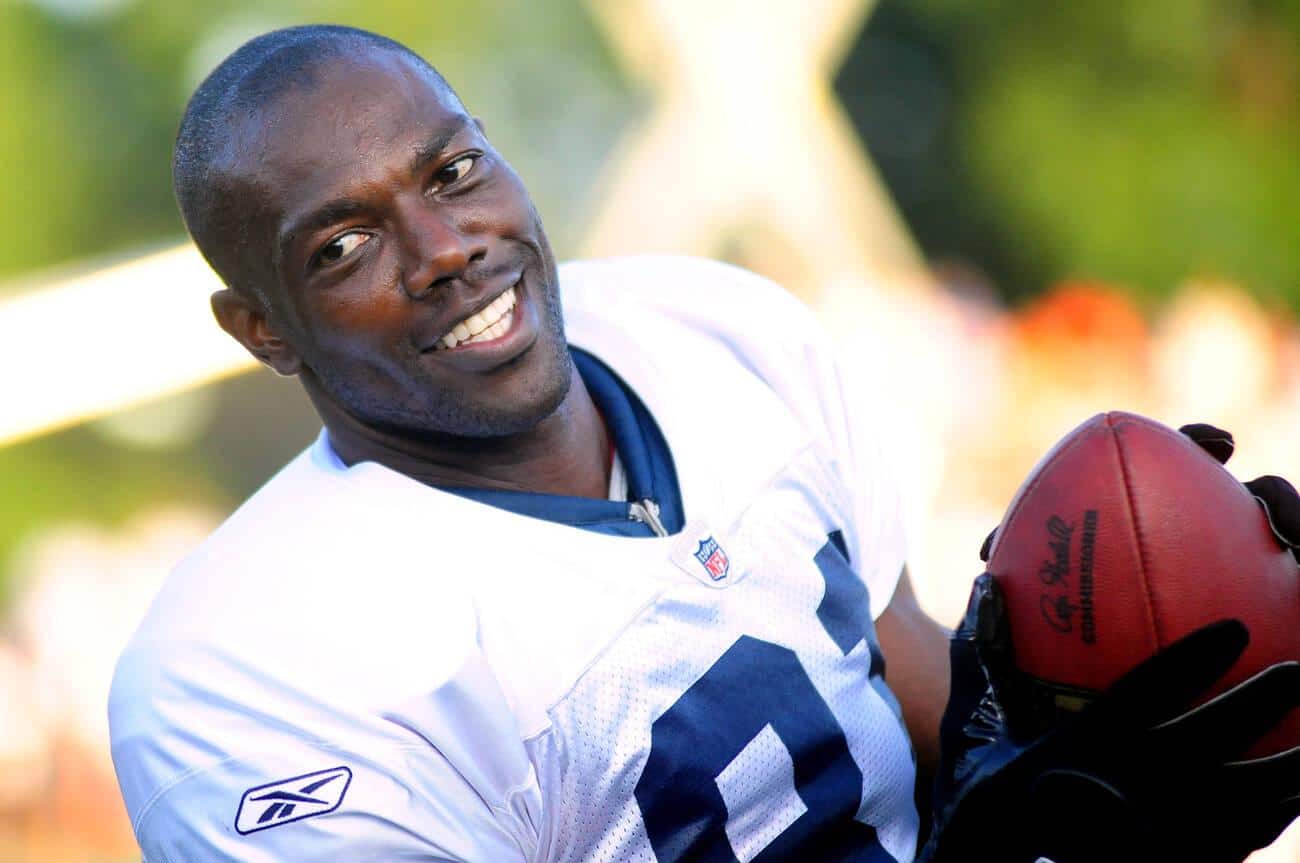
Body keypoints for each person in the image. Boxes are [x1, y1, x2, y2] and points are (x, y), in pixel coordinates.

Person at [108, 24, 1300, 863]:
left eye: (455, 170)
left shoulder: (719, 330)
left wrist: (1081, 713)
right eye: (344, 246)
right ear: (260, 325)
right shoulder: (247, 671)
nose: (446, 246)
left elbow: (918, 689)